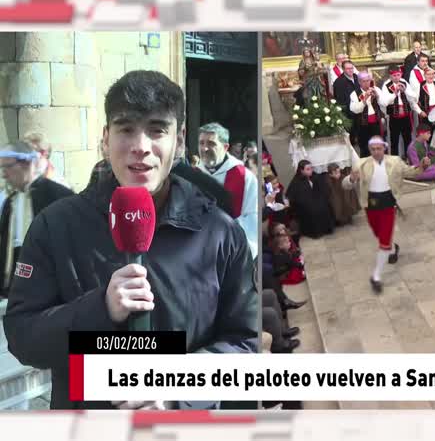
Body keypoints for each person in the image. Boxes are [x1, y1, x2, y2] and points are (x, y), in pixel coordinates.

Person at [3, 70, 259, 410]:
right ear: (106, 138)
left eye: (157, 130)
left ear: (179, 140)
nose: (140, 147)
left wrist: (176, 391)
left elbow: (245, 341)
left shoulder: (220, 232)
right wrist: (100, 308)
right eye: (126, 129)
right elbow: (23, 337)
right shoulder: (56, 226)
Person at [342, 136, 427, 293]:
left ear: (384, 148)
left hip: (388, 204)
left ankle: (376, 277)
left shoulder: (395, 161)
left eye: (378, 148)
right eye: (373, 149)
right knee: (378, 233)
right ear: (369, 150)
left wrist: (421, 166)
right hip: (371, 205)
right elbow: (345, 185)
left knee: (383, 241)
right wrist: (351, 179)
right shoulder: (361, 164)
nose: (376, 151)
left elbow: (411, 172)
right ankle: (393, 248)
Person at [0, 142, 73, 298]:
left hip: (48, 278)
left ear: (26, 163)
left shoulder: (58, 194)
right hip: (17, 278)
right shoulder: (10, 202)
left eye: (8, 167)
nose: (4, 175)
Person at [197, 122, 260, 258]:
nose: (205, 148)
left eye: (211, 143)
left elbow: (252, 218)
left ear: (225, 147)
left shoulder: (244, 177)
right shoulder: (192, 175)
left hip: (231, 251)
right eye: (201, 143)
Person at [285, 160, 335, 239]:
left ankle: (326, 229)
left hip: (317, 200)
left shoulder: (315, 176)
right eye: (308, 169)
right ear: (301, 170)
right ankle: (316, 232)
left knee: (324, 206)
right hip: (305, 206)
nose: (311, 170)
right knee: (312, 210)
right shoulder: (296, 181)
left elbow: (324, 189)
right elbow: (294, 197)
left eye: (311, 168)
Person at [380, 65, 413, 159]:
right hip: (394, 118)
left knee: (408, 139)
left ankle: (409, 158)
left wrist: (405, 90)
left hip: (406, 116)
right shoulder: (386, 85)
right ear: (390, 76)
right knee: (394, 140)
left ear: (401, 74)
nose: (397, 77)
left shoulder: (404, 82)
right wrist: (395, 93)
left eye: (398, 75)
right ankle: (394, 161)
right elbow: (384, 102)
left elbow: (413, 97)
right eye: (394, 76)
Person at [411, 68, 435, 150]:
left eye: (432, 74)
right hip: (427, 114)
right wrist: (420, 111)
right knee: (427, 135)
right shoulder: (420, 86)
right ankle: (425, 154)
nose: (431, 76)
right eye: (428, 74)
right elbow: (413, 102)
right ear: (424, 76)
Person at [349, 71, 383, 157]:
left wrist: (378, 96)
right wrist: (364, 99)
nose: (367, 83)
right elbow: (355, 109)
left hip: (376, 123)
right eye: (364, 81)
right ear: (359, 82)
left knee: (378, 145)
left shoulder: (376, 89)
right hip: (363, 125)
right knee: (365, 148)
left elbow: (384, 104)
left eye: (368, 80)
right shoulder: (354, 94)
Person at [333, 61, 359, 147]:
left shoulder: (357, 78)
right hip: (348, 114)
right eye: (348, 69)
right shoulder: (339, 82)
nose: (350, 70)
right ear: (343, 69)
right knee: (351, 140)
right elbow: (340, 101)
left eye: (352, 68)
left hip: (360, 110)